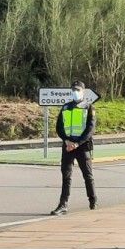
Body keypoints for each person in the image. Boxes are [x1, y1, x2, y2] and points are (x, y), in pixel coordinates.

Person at [51, 80, 96, 216]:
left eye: (78, 90)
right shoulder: (66, 107)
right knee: (66, 176)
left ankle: (93, 200)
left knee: (87, 175)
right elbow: (59, 127)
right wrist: (66, 141)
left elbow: (90, 129)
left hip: (82, 147)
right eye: (73, 90)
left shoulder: (89, 108)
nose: (75, 92)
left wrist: (77, 143)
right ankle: (63, 205)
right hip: (68, 146)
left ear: (83, 91)